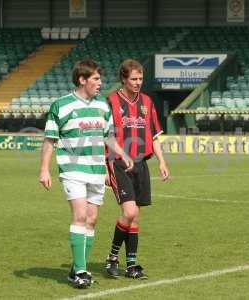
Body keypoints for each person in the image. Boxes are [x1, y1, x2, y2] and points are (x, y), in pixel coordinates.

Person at [39, 60, 133, 289]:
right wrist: (44, 169)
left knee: (91, 220)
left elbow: (108, 137)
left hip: (96, 170)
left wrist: (123, 154)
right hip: (72, 169)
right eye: (96, 79)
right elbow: (50, 139)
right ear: (82, 80)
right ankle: (80, 271)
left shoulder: (102, 105)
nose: (100, 83)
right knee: (80, 216)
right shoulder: (60, 106)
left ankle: (77, 267)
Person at [104, 59, 170, 279]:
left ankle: (131, 264)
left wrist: (161, 161)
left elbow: (154, 136)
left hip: (141, 163)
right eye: (133, 79)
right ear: (123, 79)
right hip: (118, 162)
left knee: (135, 217)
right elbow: (105, 136)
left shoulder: (147, 102)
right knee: (129, 212)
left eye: (140, 79)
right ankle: (112, 257)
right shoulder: (111, 101)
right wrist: (105, 166)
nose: (138, 82)